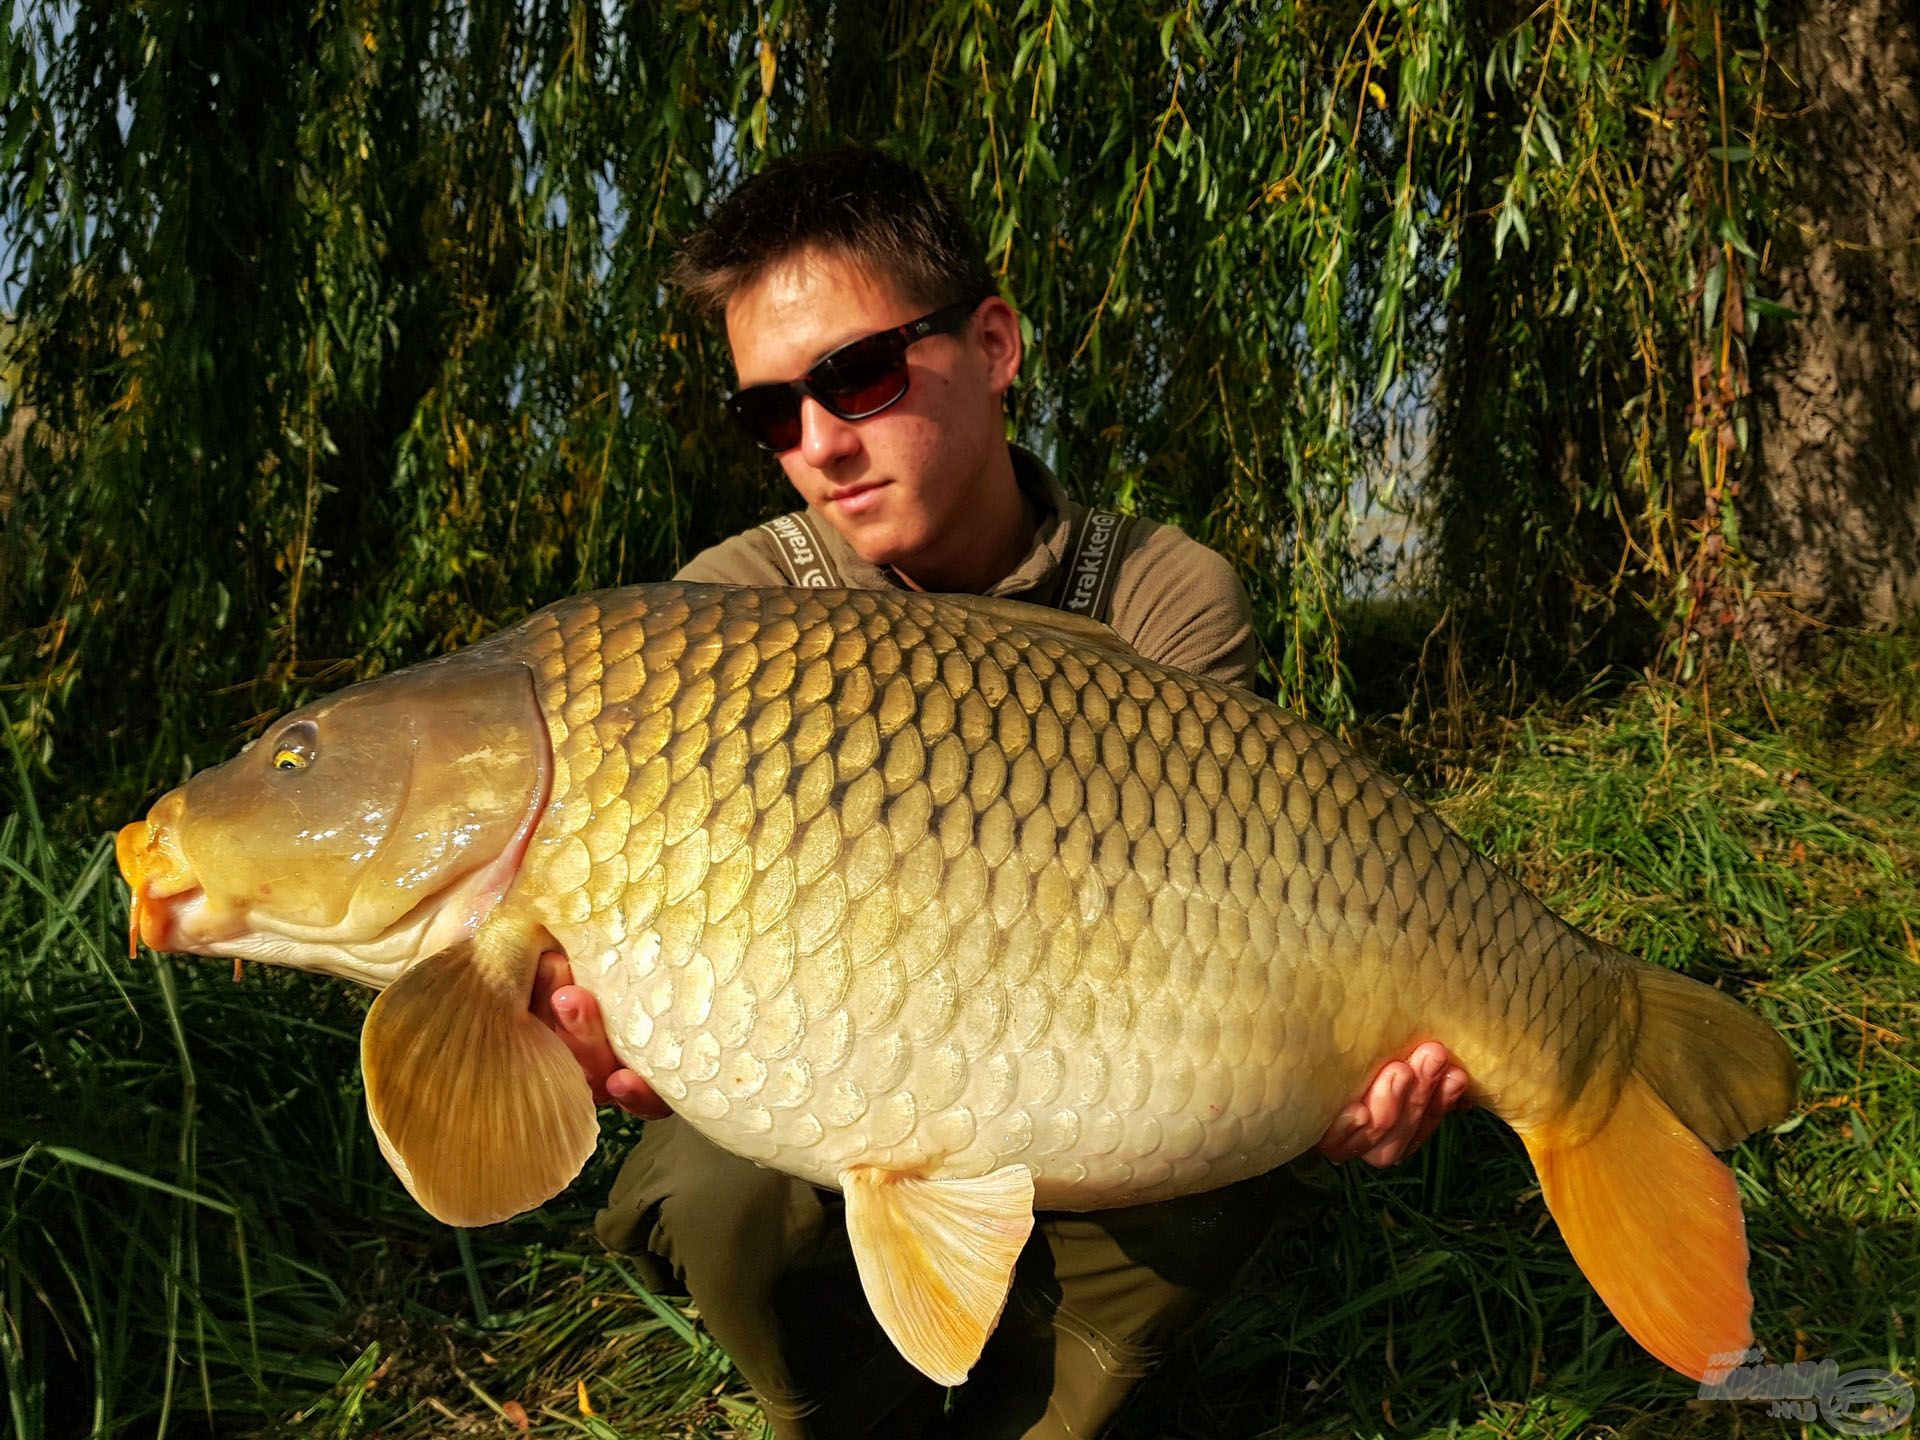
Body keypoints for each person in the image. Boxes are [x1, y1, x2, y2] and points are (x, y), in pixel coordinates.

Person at [530, 148, 1471, 1438]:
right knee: (708, 1191)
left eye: (856, 377)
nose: (817, 445)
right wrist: (639, 1033)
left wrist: (1334, 1071)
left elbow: (1242, 920)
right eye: (769, 413)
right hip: (840, 1069)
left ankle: (1060, 1402)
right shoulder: (730, 613)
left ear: (992, 344)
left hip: (1109, 1051)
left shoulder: (1162, 598)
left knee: (1238, 1125)